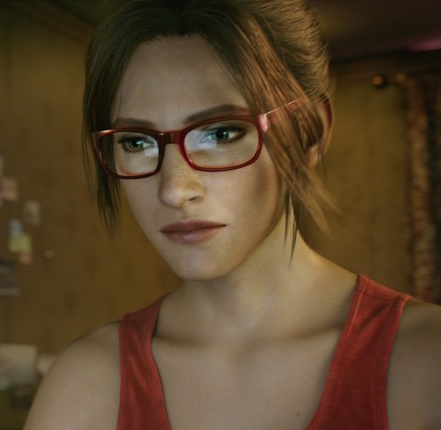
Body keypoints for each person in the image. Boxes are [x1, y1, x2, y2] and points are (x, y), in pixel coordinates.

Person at [24, 0, 441, 428]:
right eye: (136, 142)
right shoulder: (86, 383)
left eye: (221, 133)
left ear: (311, 132)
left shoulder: (426, 361)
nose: (174, 190)